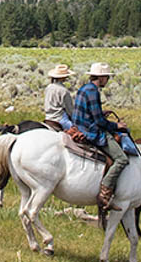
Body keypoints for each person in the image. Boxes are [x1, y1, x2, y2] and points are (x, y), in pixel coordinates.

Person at [74, 62, 128, 209]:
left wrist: (102, 114)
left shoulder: (84, 88)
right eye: (107, 77)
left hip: (80, 126)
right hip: (90, 131)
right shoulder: (93, 92)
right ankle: (105, 192)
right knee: (122, 159)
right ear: (102, 77)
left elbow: (90, 113)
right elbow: (98, 121)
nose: (108, 80)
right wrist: (117, 126)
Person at [42, 64, 76, 130]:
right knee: (78, 131)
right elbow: (70, 110)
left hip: (48, 117)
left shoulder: (48, 87)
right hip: (59, 118)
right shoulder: (64, 90)